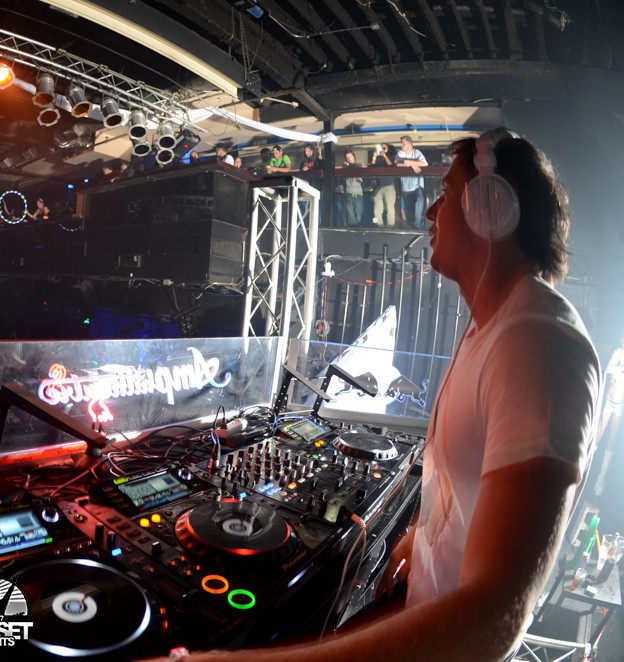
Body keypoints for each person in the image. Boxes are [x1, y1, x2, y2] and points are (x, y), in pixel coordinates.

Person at [143, 130, 601, 662]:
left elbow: (491, 618)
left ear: (489, 208)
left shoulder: (539, 344)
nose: (430, 211)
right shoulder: (493, 328)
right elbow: (468, 490)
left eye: (446, 193)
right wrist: (421, 537)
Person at [594, 333, 624, 495]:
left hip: (619, 405)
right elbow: (609, 368)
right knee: (598, 434)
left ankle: (601, 483)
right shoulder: (618, 353)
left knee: (612, 440)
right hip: (609, 401)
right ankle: (585, 466)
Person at [396, 135, 428, 228]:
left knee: (419, 201)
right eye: (401, 143)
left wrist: (409, 162)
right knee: (410, 211)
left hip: (418, 186)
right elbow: (398, 164)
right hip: (406, 188)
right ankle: (412, 228)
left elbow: (424, 164)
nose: (401, 145)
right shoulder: (400, 153)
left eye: (404, 143)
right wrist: (412, 165)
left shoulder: (417, 152)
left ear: (410, 144)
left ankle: (418, 226)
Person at [372, 142, 397, 226]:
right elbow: (371, 169)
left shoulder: (392, 157)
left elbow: (392, 167)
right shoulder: (378, 160)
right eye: (381, 148)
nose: (382, 150)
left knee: (390, 209)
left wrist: (385, 156)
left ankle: (390, 227)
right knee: (377, 210)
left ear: (388, 150)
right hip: (379, 187)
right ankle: (380, 227)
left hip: (389, 186)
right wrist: (374, 157)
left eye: (384, 148)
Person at [342, 149, 364, 227]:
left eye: (350, 157)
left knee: (358, 211)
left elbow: (356, 169)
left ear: (354, 157)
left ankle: (357, 225)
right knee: (350, 209)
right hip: (349, 193)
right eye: (347, 157)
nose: (349, 159)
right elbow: (342, 178)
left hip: (358, 193)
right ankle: (353, 225)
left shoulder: (359, 165)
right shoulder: (345, 168)